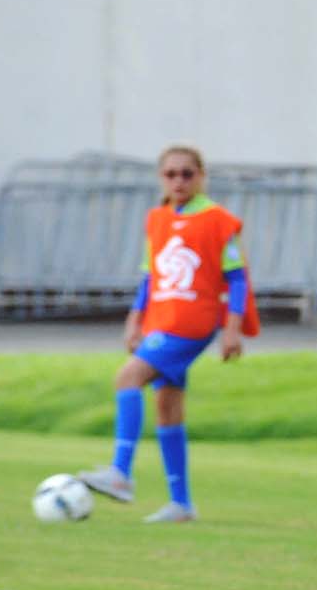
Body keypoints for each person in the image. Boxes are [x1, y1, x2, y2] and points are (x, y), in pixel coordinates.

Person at [78, 146, 256, 522]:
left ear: (201, 176)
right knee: (168, 406)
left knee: (127, 377)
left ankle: (120, 473)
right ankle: (181, 503)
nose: (178, 181)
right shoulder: (157, 219)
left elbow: (237, 279)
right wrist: (135, 320)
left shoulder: (218, 221)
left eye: (187, 173)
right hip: (161, 319)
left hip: (192, 321)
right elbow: (150, 276)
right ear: (161, 178)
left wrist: (232, 329)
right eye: (170, 174)